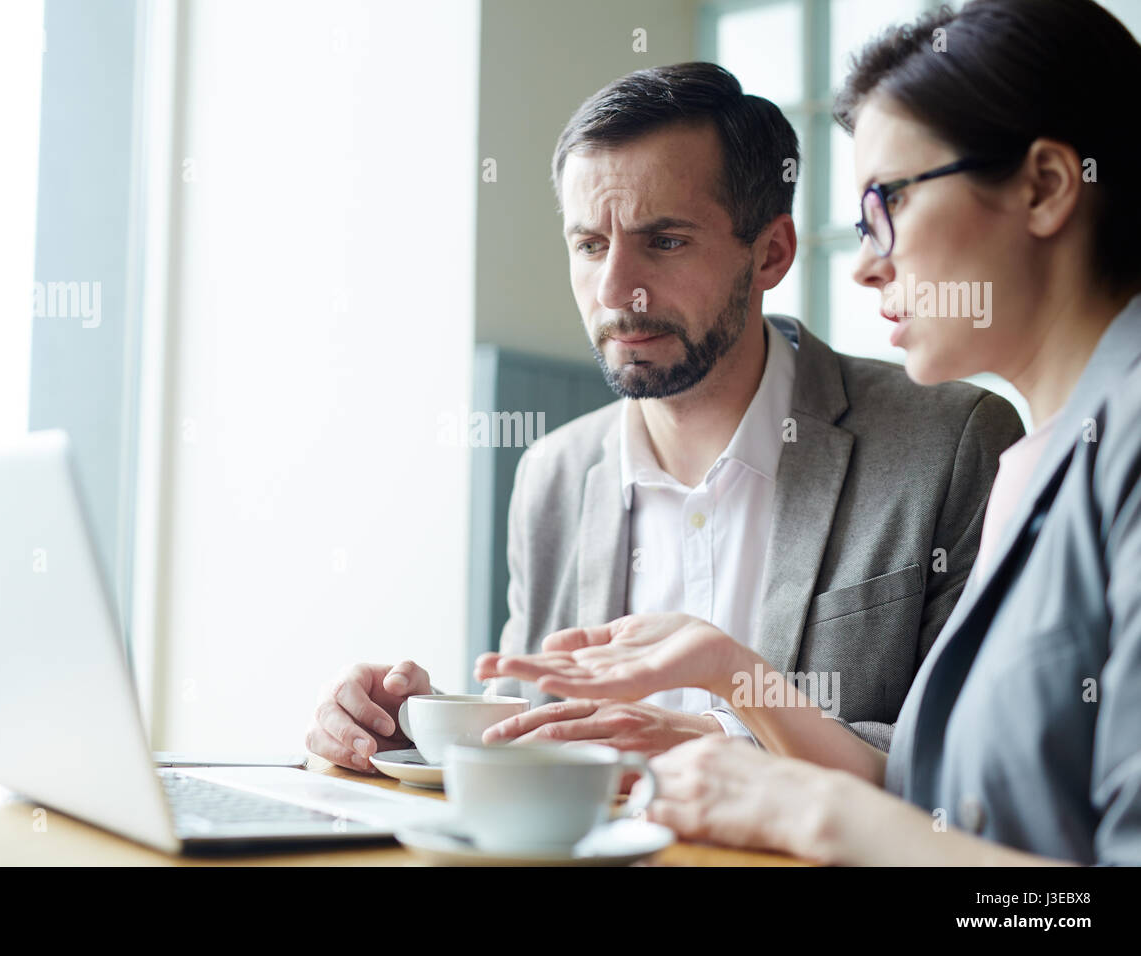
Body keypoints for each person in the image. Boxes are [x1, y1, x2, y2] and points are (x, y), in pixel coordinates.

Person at [477, 0, 1141, 865]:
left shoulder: (1033, 441)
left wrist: (811, 811)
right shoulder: (1044, 459)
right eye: (588, 244)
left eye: (889, 201)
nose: (866, 262)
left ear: (1049, 186)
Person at [306, 62, 1023, 773]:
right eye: (590, 245)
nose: (617, 290)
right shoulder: (552, 477)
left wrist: (723, 743)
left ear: (771, 252)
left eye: (666, 241)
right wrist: (413, 732)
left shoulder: (953, 443)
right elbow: (528, 735)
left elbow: (974, 763)